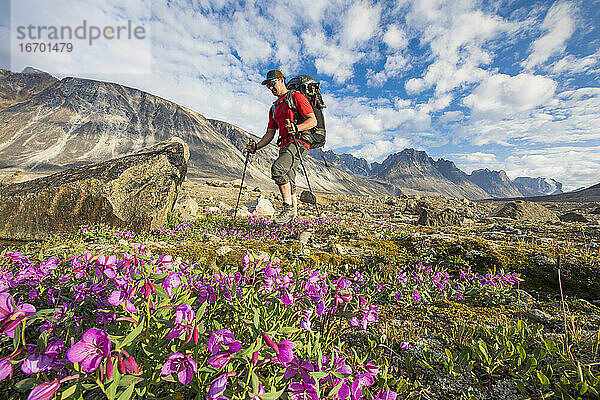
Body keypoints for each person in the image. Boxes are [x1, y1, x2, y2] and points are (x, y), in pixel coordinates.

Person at [246, 69, 317, 224]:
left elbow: (312, 121)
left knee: (278, 169)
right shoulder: (273, 108)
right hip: (284, 144)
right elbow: (269, 134)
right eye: (268, 86)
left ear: (281, 80)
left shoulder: (297, 97)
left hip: (299, 141)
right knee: (289, 178)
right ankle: (293, 218)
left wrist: (297, 128)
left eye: (272, 84)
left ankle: (287, 208)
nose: (271, 88)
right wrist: (256, 147)